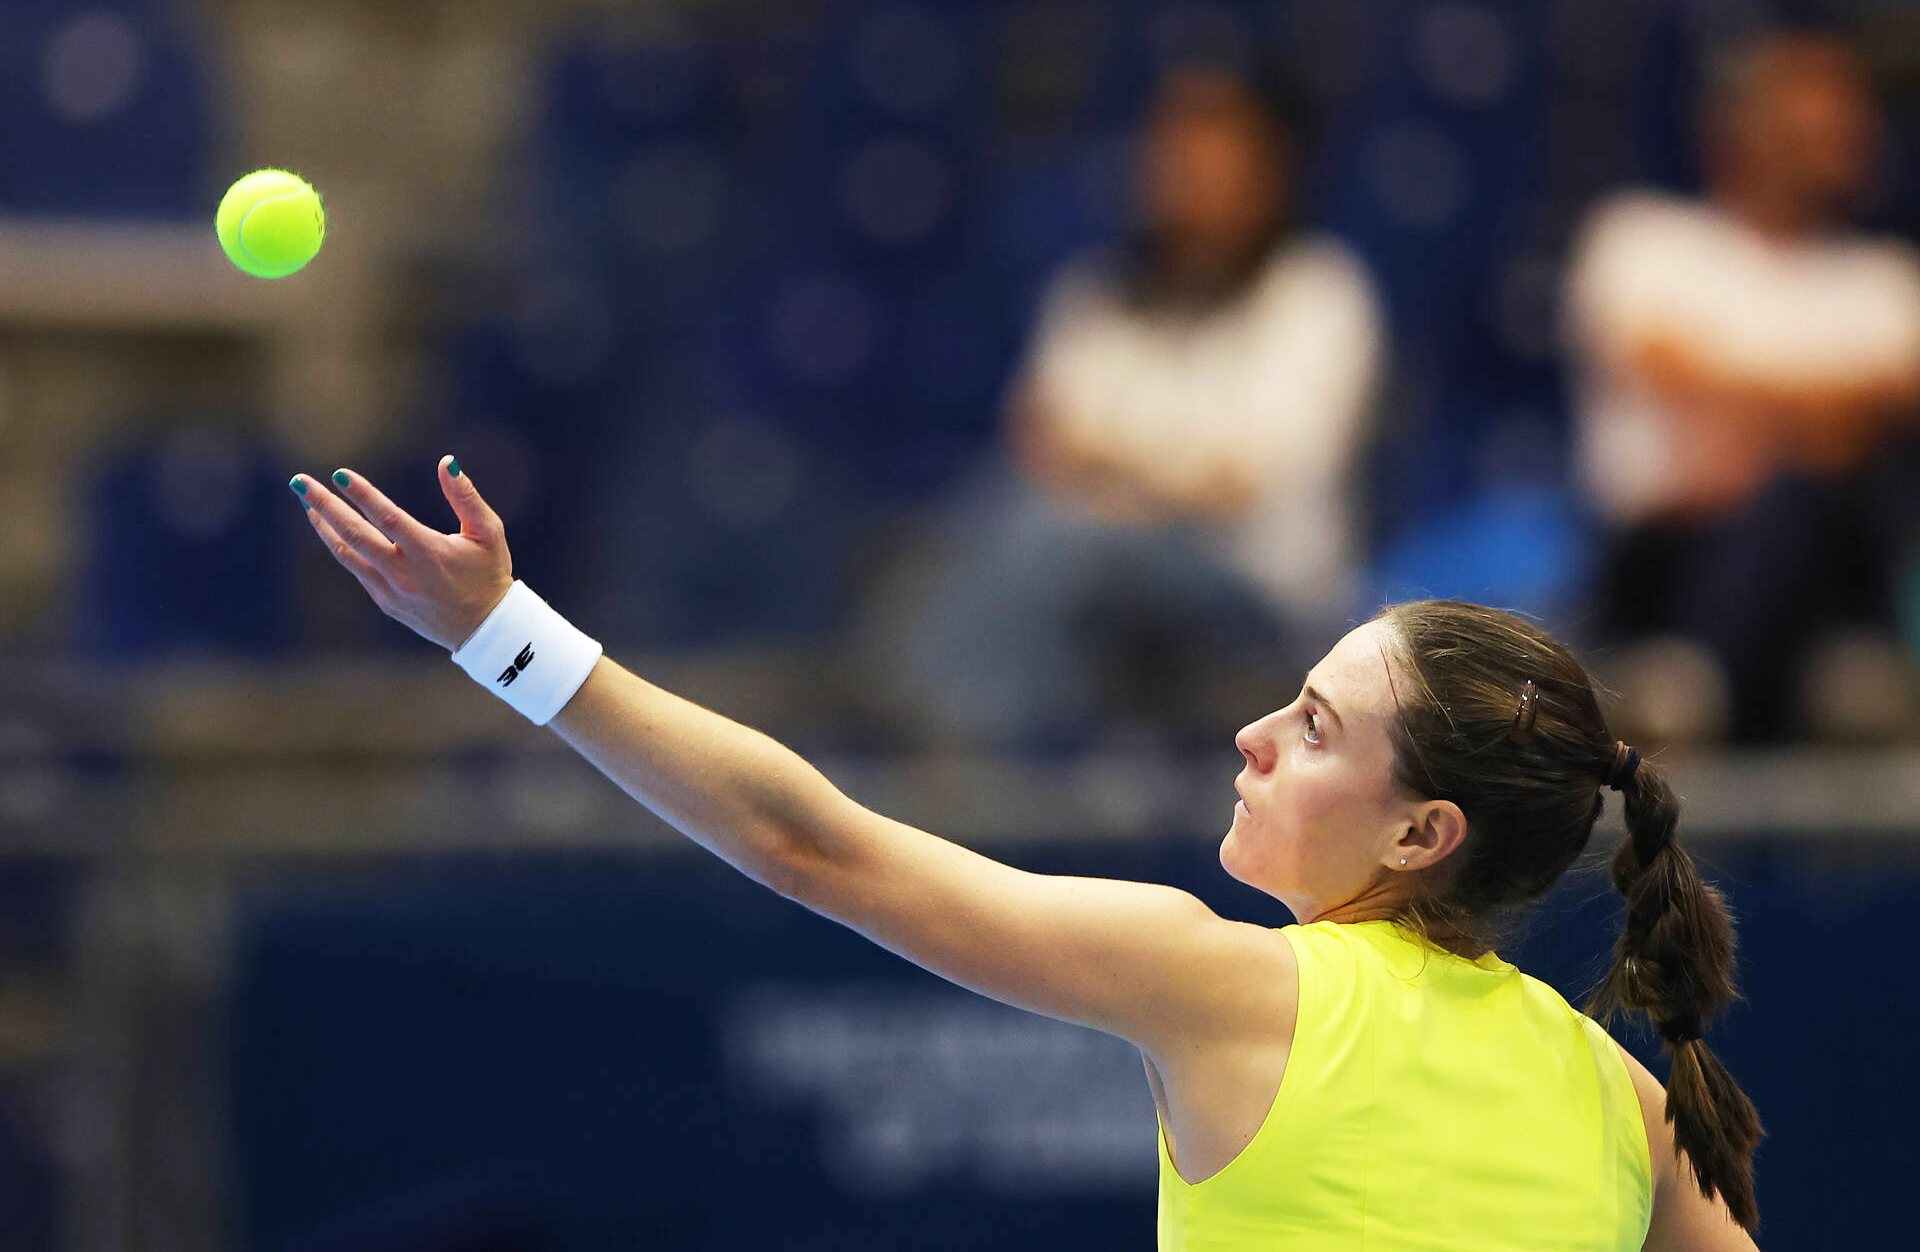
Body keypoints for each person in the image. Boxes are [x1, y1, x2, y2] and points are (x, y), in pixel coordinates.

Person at [289, 458, 1764, 1250]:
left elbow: (813, 845)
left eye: (1314, 730)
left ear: (1422, 832)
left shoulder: (1235, 988)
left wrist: (507, 642)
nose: (1253, 733)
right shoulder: (1625, 1100)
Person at [871, 62, 1383, 747]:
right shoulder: (1095, 296)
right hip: (1094, 571)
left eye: (1215, 160)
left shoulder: (1318, 294)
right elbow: (1041, 447)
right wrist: (1147, 470)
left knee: (1048, 542)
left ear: (1271, 171)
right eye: (1173, 156)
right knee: (944, 541)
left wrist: (1112, 466)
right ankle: (991, 760)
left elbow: (1241, 481)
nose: (1188, 178)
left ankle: (983, 769)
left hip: (1257, 594)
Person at [1564, 29, 1920, 744]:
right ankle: (1704, 673)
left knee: (1807, 502)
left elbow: (1895, 403)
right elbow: (1668, 367)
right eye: (1808, 117)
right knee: (1785, 500)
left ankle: (1720, 678)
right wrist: (1827, 411)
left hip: (1837, 567)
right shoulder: (1644, 241)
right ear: (1740, 126)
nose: (1837, 134)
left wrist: (1747, 406)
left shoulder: (1886, 280)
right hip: (1666, 569)